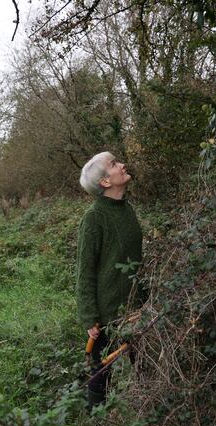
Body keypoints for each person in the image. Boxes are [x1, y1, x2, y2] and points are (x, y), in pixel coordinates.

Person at [77, 151, 143, 410]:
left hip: (136, 309)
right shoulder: (94, 218)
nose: (122, 164)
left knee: (146, 365)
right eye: (114, 164)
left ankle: (147, 416)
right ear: (104, 182)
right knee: (99, 375)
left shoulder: (127, 209)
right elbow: (85, 270)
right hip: (105, 315)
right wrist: (89, 315)